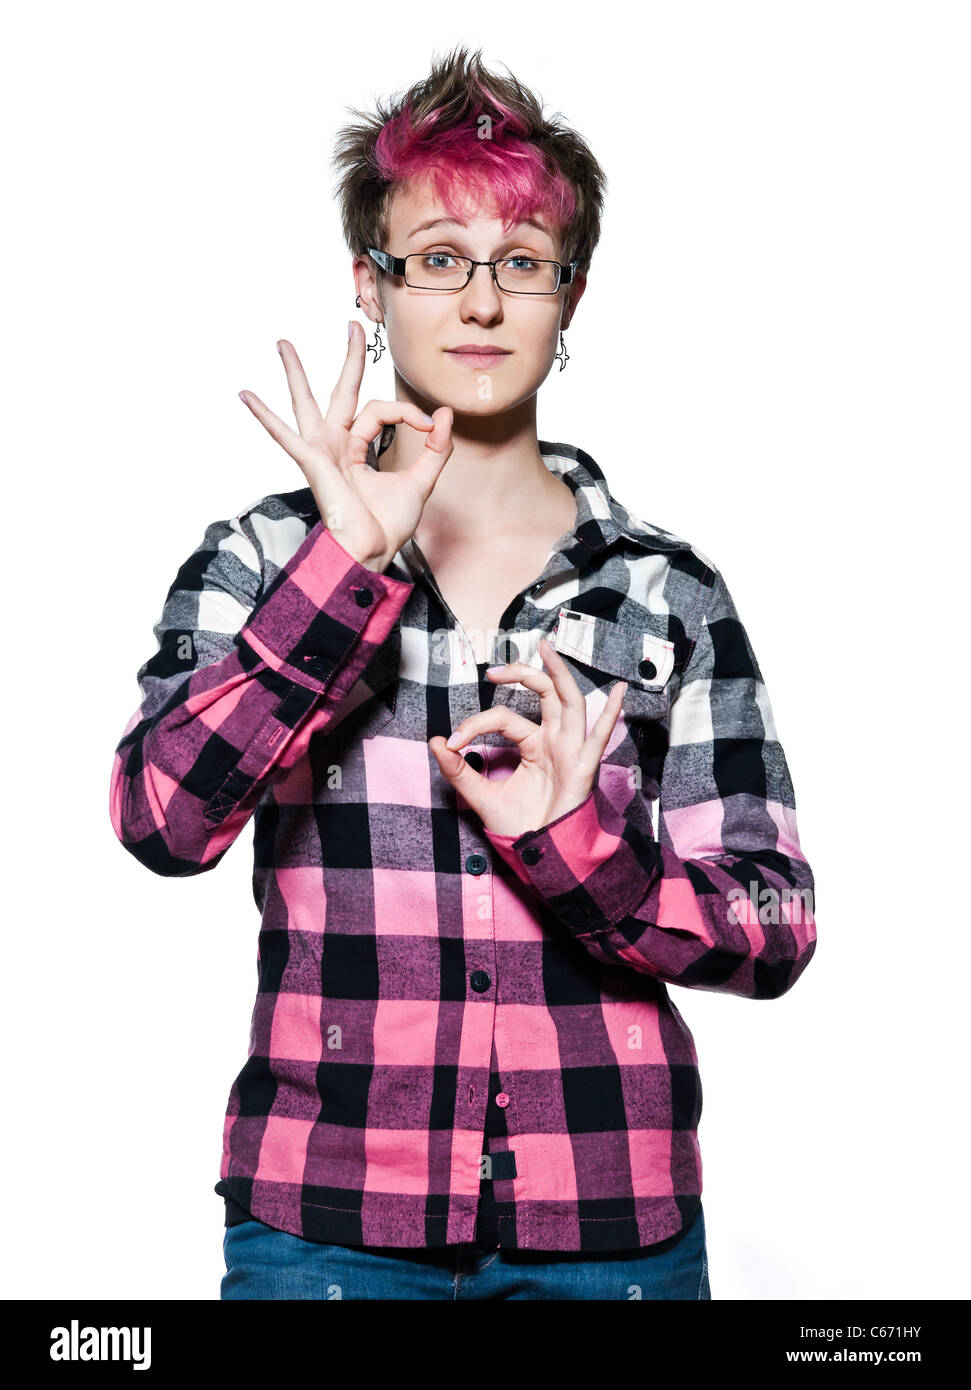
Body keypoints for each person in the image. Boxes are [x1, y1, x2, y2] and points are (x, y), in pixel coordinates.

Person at [109, 44, 816, 1301]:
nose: (479, 305)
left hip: (612, 1230)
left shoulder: (664, 591)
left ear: (571, 293)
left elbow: (773, 923)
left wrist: (580, 845)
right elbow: (162, 821)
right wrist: (346, 567)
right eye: (436, 260)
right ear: (368, 288)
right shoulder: (262, 558)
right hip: (324, 1223)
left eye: (520, 264)